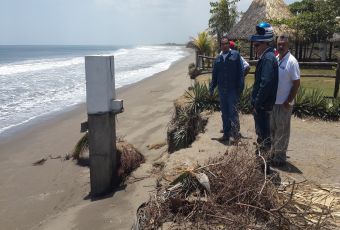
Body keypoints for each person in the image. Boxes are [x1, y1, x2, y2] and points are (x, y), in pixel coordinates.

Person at [270, 34, 300, 167]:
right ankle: (273, 153)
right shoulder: (276, 58)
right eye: (279, 44)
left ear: (288, 46)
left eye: (283, 44)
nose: (281, 46)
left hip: (284, 104)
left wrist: (288, 100)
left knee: (282, 130)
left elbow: (296, 83)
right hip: (273, 102)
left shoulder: (292, 62)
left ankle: (280, 158)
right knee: (272, 129)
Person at [250, 22, 278, 157]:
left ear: (266, 43)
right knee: (262, 135)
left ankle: (264, 165)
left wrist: (257, 103)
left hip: (262, 106)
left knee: (264, 136)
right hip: (264, 105)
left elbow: (265, 83)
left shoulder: (267, 58)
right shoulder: (269, 57)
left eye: (257, 45)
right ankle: (262, 162)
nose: (255, 48)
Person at [210, 36, 244, 143]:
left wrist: (240, 88)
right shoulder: (218, 59)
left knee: (233, 112)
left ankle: (235, 135)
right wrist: (211, 89)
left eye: (226, 44)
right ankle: (226, 134)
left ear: (229, 44)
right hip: (222, 91)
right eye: (222, 44)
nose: (224, 46)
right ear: (220, 46)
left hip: (232, 90)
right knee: (224, 113)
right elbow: (214, 76)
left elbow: (241, 72)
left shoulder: (236, 55)